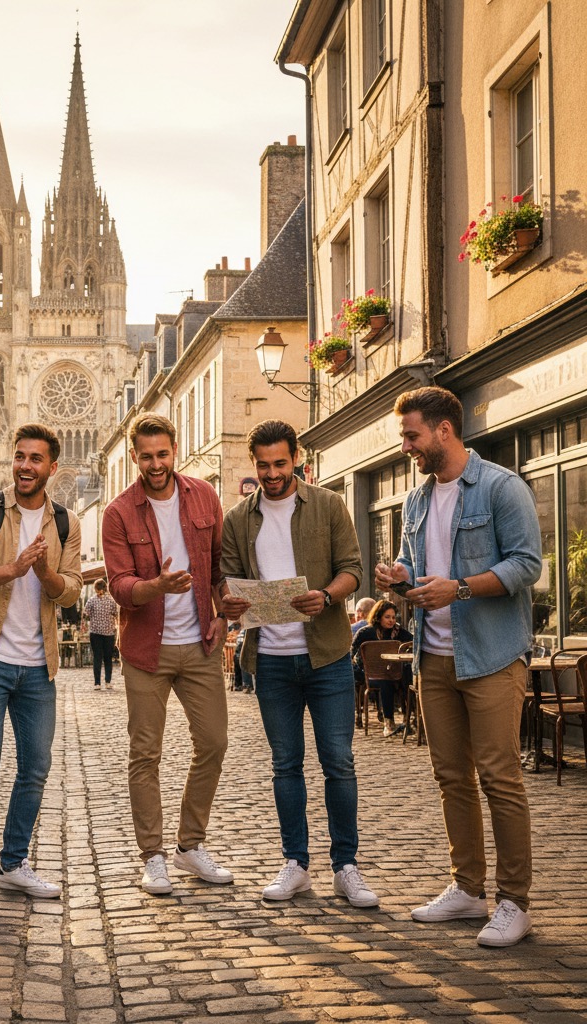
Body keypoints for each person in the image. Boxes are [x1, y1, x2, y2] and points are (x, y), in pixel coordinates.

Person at [374, 386, 542, 947]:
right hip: (434, 656)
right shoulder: (416, 500)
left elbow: (526, 566)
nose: (406, 447)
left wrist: (461, 588)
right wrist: (398, 576)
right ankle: (467, 888)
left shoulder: (501, 487)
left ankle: (514, 901)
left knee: (499, 777)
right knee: (451, 778)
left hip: (491, 655)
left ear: (444, 429)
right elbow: (415, 563)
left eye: (411, 435)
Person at [221, 419, 378, 909]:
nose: (271, 474)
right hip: (268, 660)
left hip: (327, 655)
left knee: (339, 762)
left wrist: (327, 595)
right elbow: (227, 579)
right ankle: (295, 864)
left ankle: (346, 868)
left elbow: (354, 567)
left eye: (280, 465)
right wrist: (227, 602)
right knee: (285, 765)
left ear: (296, 461)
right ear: (255, 464)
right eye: (263, 466)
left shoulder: (328, 505)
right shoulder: (237, 519)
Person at [101, 413, 244, 896]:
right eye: (146, 456)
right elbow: (119, 586)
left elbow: (221, 566)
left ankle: (189, 845)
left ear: (175, 449)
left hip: (200, 643)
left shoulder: (203, 496)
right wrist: (154, 587)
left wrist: (225, 611)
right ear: (135, 456)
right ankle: (154, 856)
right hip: (146, 649)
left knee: (214, 744)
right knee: (146, 754)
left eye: (163, 454)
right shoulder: (119, 512)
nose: (156, 463)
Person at [0, 423, 82, 914]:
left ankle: (14, 864)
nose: (25, 466)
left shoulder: (64, 521)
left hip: (37, 665)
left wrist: (46, 573)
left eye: (35, 459)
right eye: (19, 456)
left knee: (36, 769)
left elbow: (69, 589)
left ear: (52, 466)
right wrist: (11, 569)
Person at [350, 599, 413, 737]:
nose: (391, 620)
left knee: (409, 674)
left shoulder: (399, 632)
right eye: (387, 617)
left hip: (394, 673)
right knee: (386, 679)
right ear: (378, 617)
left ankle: (409, 719)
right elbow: (353, 655)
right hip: (370, 676)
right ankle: (389, 722)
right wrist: (363, 666)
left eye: (393, 617)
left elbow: (412, 642)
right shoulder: (365, 633)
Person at [83, 578, 118, 690]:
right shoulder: (111, 601)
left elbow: (85, 614)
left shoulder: (91, 600)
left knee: (98, 658)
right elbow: (116, 614)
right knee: (107, 658)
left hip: (96, 633)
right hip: (108, 633)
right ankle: (107, 682)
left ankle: (97, 683)